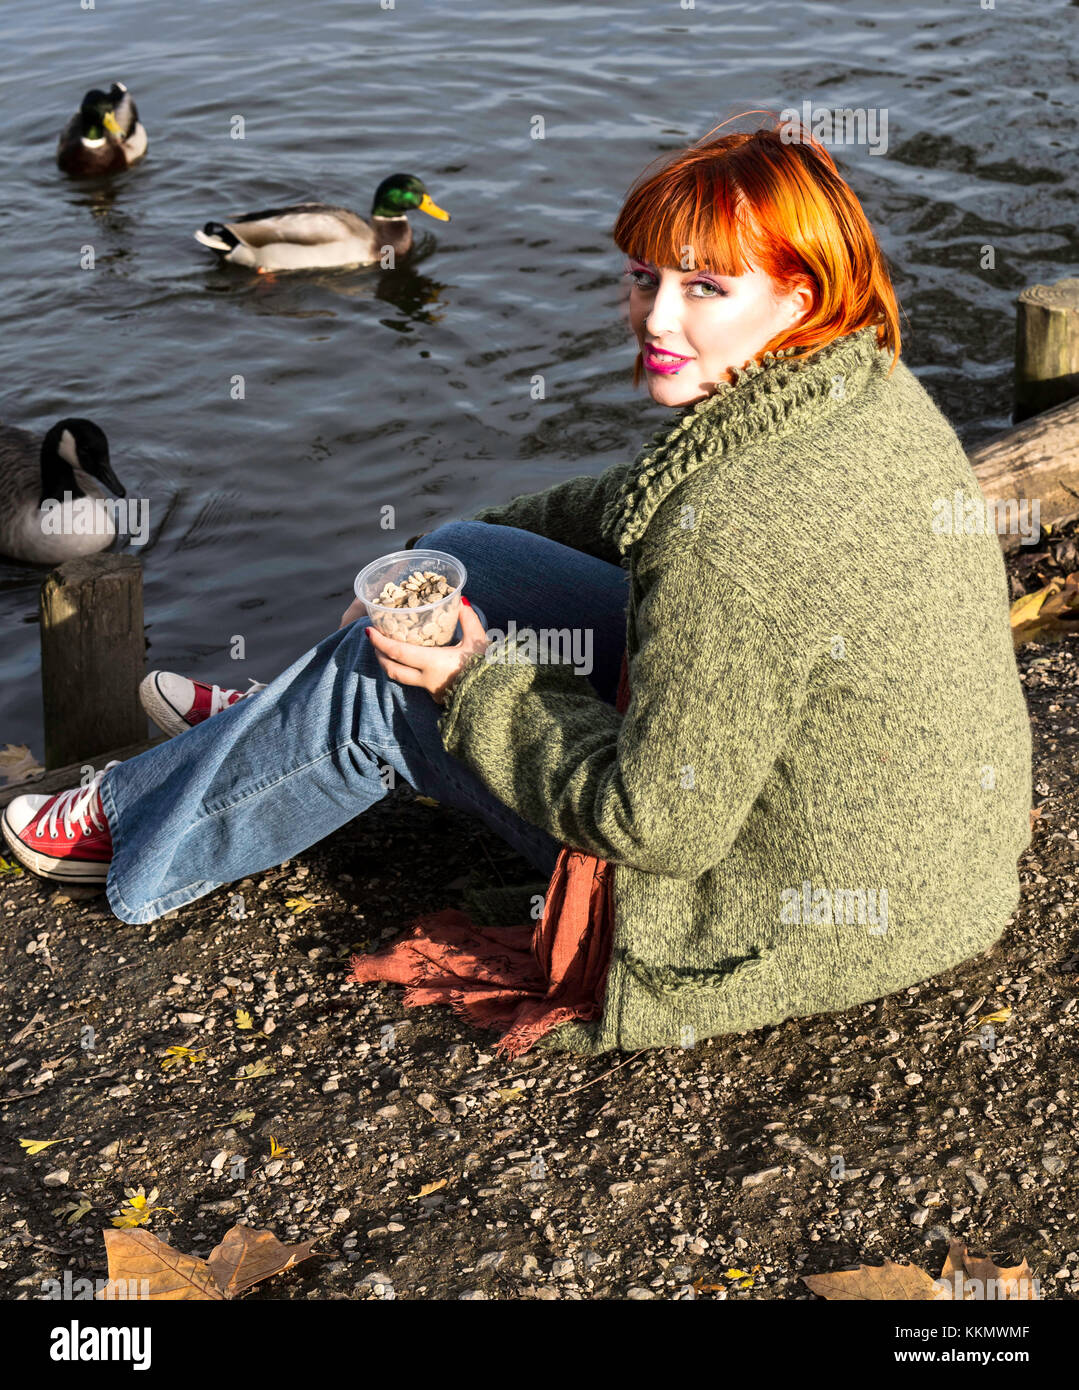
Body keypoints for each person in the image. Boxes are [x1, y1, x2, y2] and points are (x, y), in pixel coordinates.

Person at [3, 120, 1032, 1058]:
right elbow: (635, 498)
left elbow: (655, 826)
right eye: (643, 276)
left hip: (765, 900)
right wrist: (449, 547)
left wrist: (470, 681)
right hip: (924, 868)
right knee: (460, 559)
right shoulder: (859, 388)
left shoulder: (736, 532)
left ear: (796, 294)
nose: (654, 316)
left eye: (704, 288)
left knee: (385, 682)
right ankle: (271, 727)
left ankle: (132, 836)